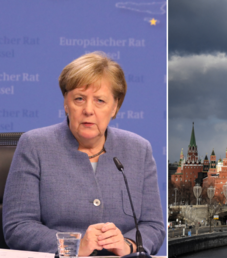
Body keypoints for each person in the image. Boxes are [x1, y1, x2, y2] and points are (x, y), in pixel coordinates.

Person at [2, 52, 165, 256]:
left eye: (100, 101)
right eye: (79, 99)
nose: (88, 110)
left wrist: (128, 244)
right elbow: (18, 226)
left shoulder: (139, 150)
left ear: (115, 107)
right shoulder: (34, 145)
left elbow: (153, 226)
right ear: (66, 103)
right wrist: (74, 246)